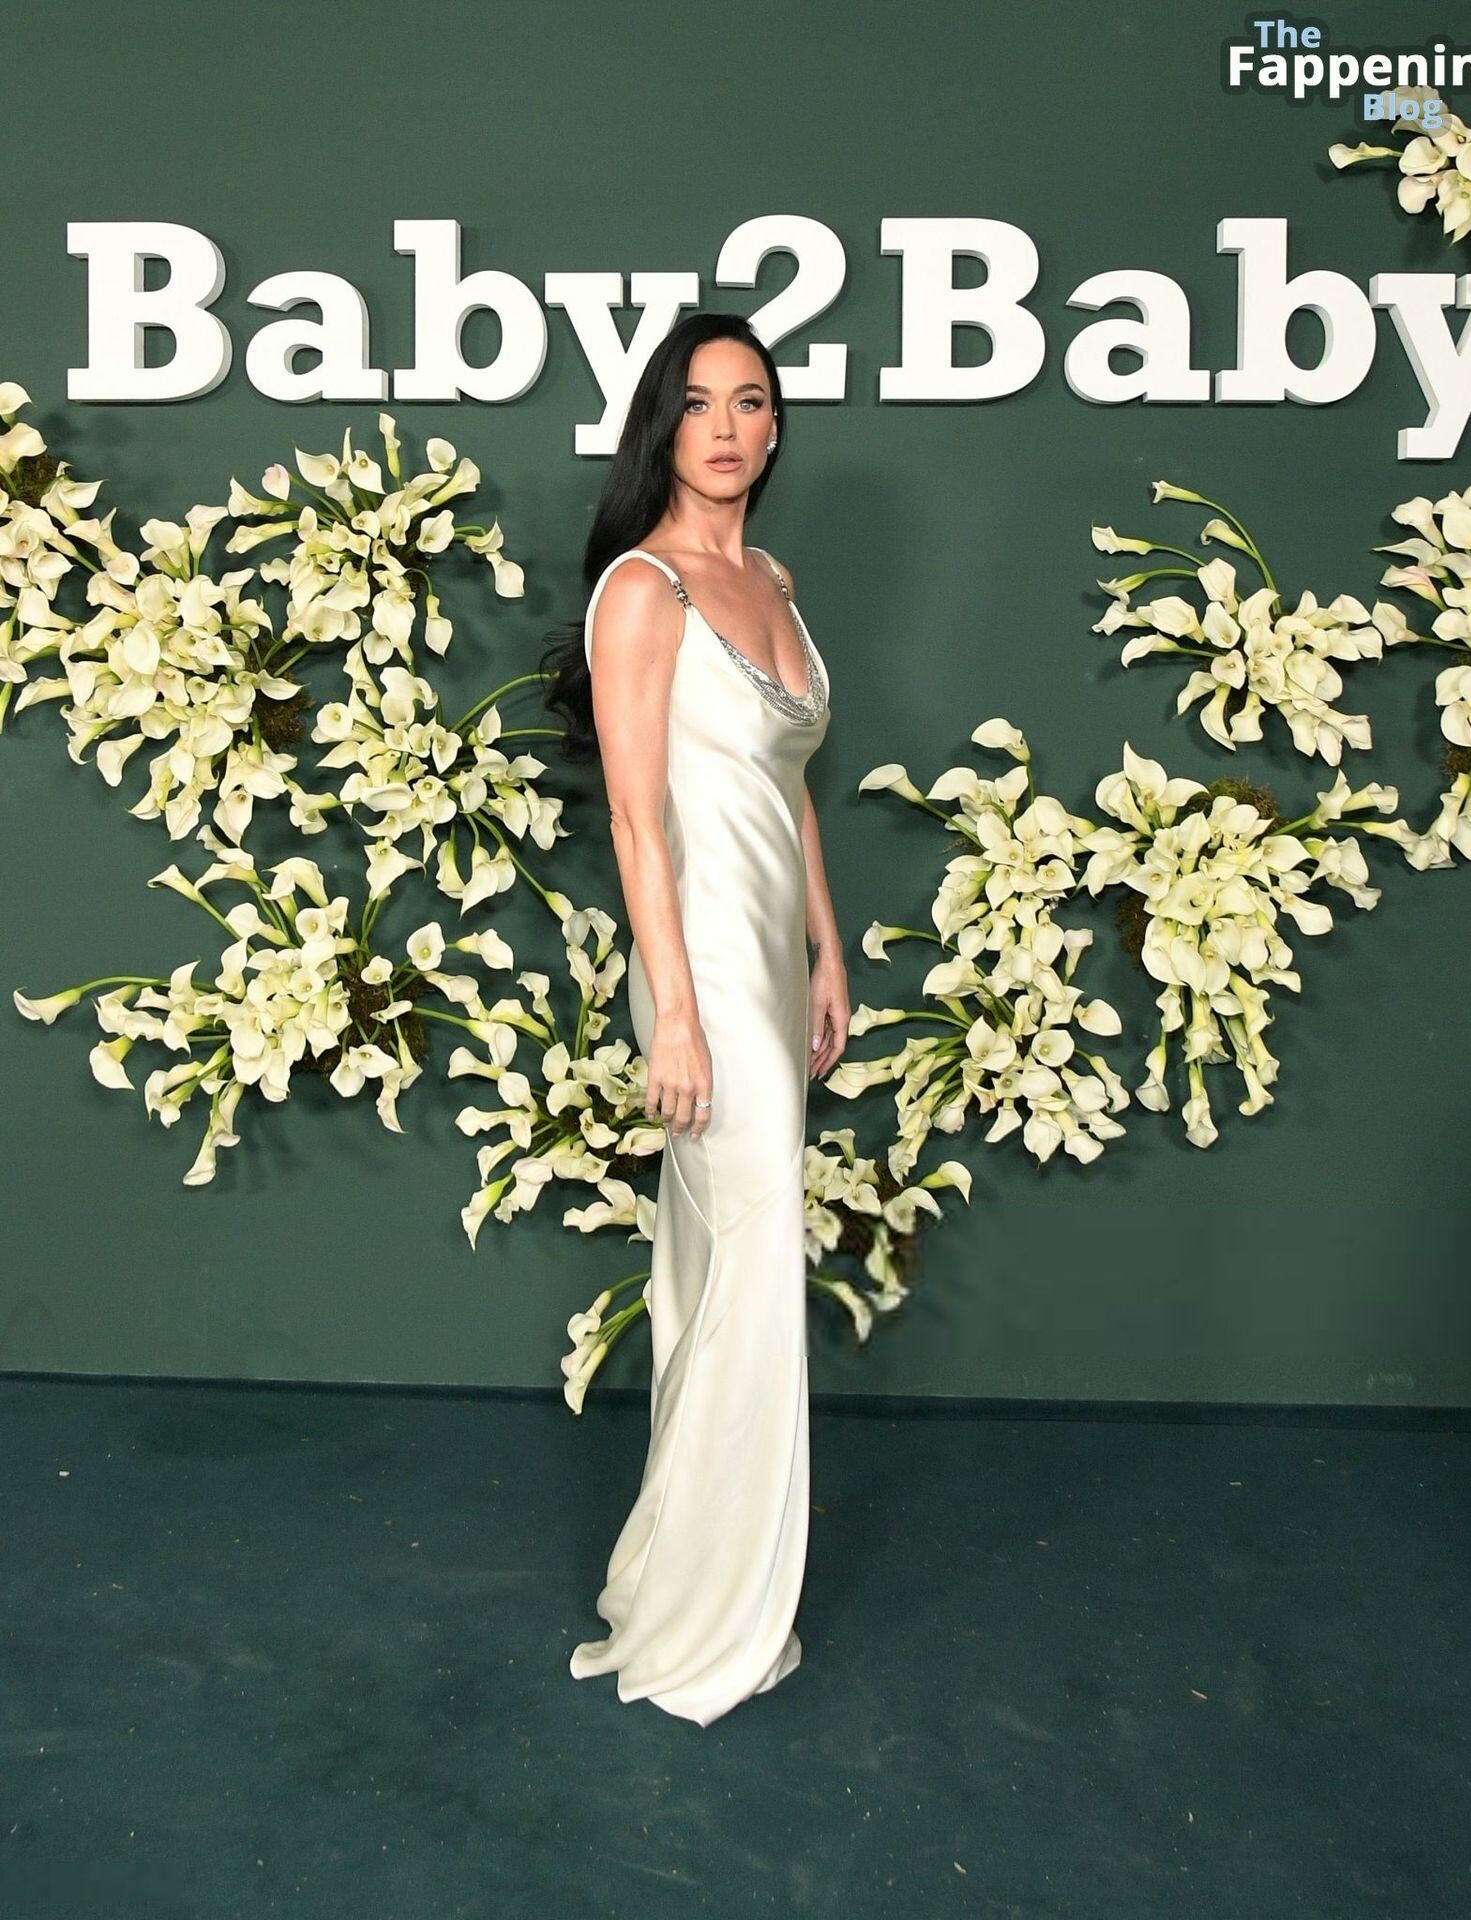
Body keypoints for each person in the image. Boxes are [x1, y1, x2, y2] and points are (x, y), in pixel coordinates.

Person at [547, 312, 848, 1725]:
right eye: (700, 403)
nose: (726, 428)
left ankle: (694, 1577)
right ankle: (702, 1624)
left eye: (752, 402)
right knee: (750, 1262)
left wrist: (827, 950)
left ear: (776, 427)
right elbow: (633, 816)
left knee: (724, 1264)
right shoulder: (642, 588)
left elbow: (789, 788)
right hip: (700, 971)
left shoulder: (771, 578)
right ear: (662, 426)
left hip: (771, 962)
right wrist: (673, 1011)